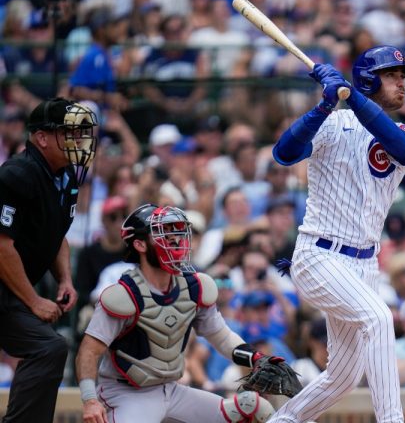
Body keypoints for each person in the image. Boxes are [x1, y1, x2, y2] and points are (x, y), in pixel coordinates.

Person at [269, 45, 405, 423]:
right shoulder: (332, 123)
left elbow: (396, 146)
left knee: (343, 377)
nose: (401, 84)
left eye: (403, 77)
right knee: (380, 318)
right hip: (320, 255)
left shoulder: (404, 133)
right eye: (392, 76)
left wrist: (349, 96)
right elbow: (284, 153)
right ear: (369, 79)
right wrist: (323, 107)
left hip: (364, 265)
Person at [75, 204, 295, 423]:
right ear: (140, 244)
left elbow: (221, 336)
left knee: (252, 407)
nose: (175, 239)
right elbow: (88, 352)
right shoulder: (123, 295)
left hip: (173, 390)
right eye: (164, 233)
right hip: (127, 393)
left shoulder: (195, 286)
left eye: (176, 232)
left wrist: (256, 358)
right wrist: (90, 400)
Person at [0, 98, 98, 422]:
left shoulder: (67, 176)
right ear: (42, 137)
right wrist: (34, 301)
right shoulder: (17, 174)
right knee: (48, 347)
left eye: (81, 132)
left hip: (9, 292)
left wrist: (65, 279)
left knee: (50, 348)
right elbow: (1, 246)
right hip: (9, 288)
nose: (78, 140)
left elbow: (58, 234)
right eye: (69, 132)